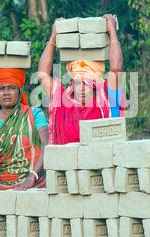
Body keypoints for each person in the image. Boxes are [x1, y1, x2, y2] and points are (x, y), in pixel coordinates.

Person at [38, 14, 124, 144]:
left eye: (87, 84)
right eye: (78, 83)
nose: (82, 89)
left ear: (95, 85)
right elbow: (42, 74)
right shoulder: (63, 100)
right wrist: (54, 35)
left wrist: (112, 30)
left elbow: (116, 69)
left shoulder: (106, 98)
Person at [0, 68, 49, 191]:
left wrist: (32, 177)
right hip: (4, 190)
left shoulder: (34, 114)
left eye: (11, 87)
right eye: (1, 89)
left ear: (20, 91)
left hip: (36, 187)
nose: (6, 92)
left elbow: (46, 144)